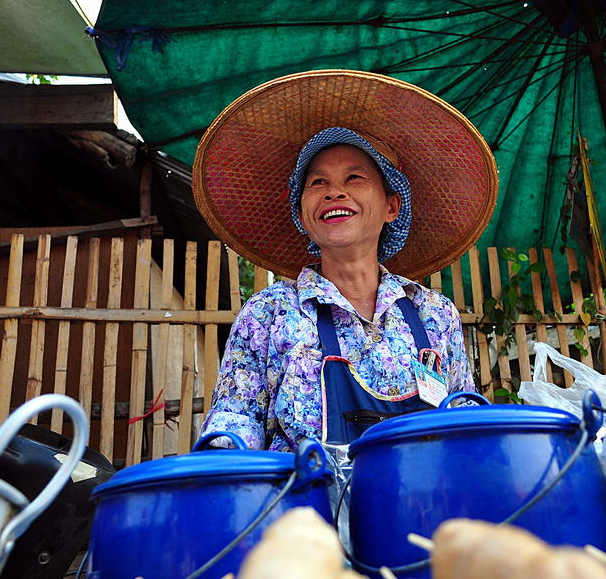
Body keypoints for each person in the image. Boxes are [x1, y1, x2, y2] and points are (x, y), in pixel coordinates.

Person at [191, 70, 499, 452]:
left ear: (391, 206)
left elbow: (464, 423)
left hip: (422, 507)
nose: (335, 191)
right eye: (317, 182)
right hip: (302, 507)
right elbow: (235, 420)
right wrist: (225, 454)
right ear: (301, 215)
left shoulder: (434, 314)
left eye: (354, 178)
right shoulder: (268, 313)